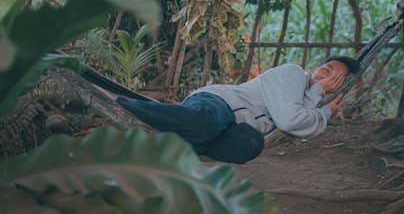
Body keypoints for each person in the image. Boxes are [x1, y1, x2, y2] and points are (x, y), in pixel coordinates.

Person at [116, 56, 360, 164]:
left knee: (251, 145)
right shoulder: (293, 73)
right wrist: (325, 109)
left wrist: (320, 102)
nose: (327, 76)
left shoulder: (309, 104)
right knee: (204, 125)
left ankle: (173, 144)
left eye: (337, 77)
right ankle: (124, 104)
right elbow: (288, 120)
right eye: (326, 68)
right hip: (218, 103)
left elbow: (299, 122)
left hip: (233, 127)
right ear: (316, 67)